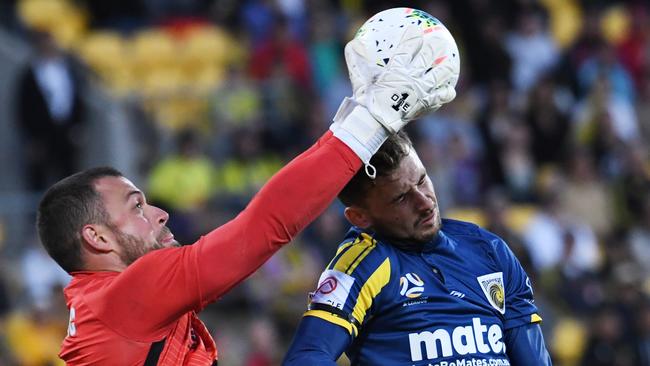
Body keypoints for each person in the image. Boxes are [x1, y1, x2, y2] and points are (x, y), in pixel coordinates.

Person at [35, 26, 458, 365]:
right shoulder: (125, 296)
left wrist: (353, 117)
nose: (161, 214)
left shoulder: (105, 309)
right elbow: (262, 226)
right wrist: (372, 119)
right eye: (137, 207)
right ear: (98, 238)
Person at [282, 131, 552, 365]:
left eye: (422, 180)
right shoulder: (361, 264)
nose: (425, 203)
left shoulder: (490, 250)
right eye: (401, 198)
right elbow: (306, 356)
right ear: (360, 217)